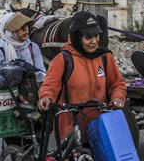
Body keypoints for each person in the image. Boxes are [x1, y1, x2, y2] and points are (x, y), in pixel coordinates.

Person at [38, 11, 127, 143]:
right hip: (72, 128)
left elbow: (117, 84)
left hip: (101, 125)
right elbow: (50, 85)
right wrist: (46, 97)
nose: (94, 41)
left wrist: (118, 98)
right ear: (77, 37)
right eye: (88, 37)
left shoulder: (105, 57)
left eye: (96, 36)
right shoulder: (63, 59)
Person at [0, 11, 46, 83]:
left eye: (26, 26)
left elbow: (41, 75)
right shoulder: (1, 51)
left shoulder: (32, 47)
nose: (25, 30)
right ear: (9, 33)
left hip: (30, 91)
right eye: (20, 27)